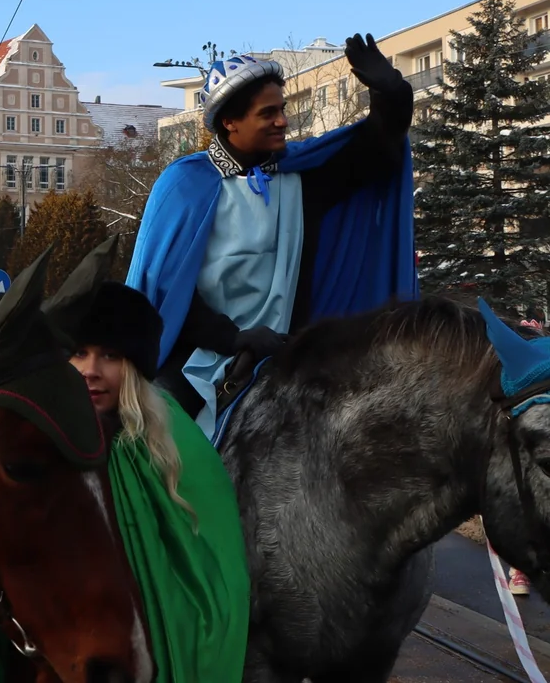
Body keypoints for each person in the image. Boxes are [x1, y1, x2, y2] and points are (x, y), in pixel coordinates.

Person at [128, 35, 416, 437]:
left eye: (281, 110)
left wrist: (393, 95)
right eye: (268, 113)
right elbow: (167, 292)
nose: (282, 121)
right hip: (201, 353)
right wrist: (234, 337)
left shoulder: (301, 176)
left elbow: (374, 152)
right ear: (230, 121)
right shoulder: (184, 184)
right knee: (150, 427)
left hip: (288, 351)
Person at [65, 280, 249, 682]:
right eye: (79, 353)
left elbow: (216, 574)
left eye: (110, 355)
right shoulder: (40, 445)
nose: (91, 371)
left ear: (133, 366)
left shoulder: (172, 443)